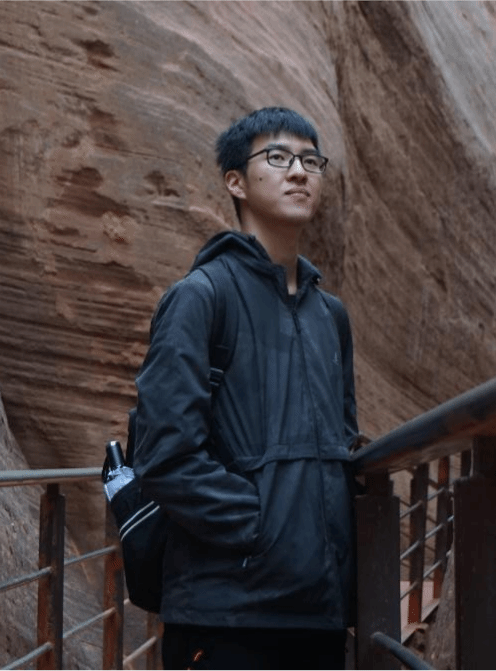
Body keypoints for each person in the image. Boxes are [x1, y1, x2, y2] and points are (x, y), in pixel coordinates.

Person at [133, 107, 359, 671]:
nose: (299, 172)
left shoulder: (330, 316)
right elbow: (164, 455)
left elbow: (344, 441)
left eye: (311, 161)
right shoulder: (201, 297)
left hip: (320, 615)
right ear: (236, 182)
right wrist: (263, 529)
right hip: (227, 617)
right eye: (278, 158)